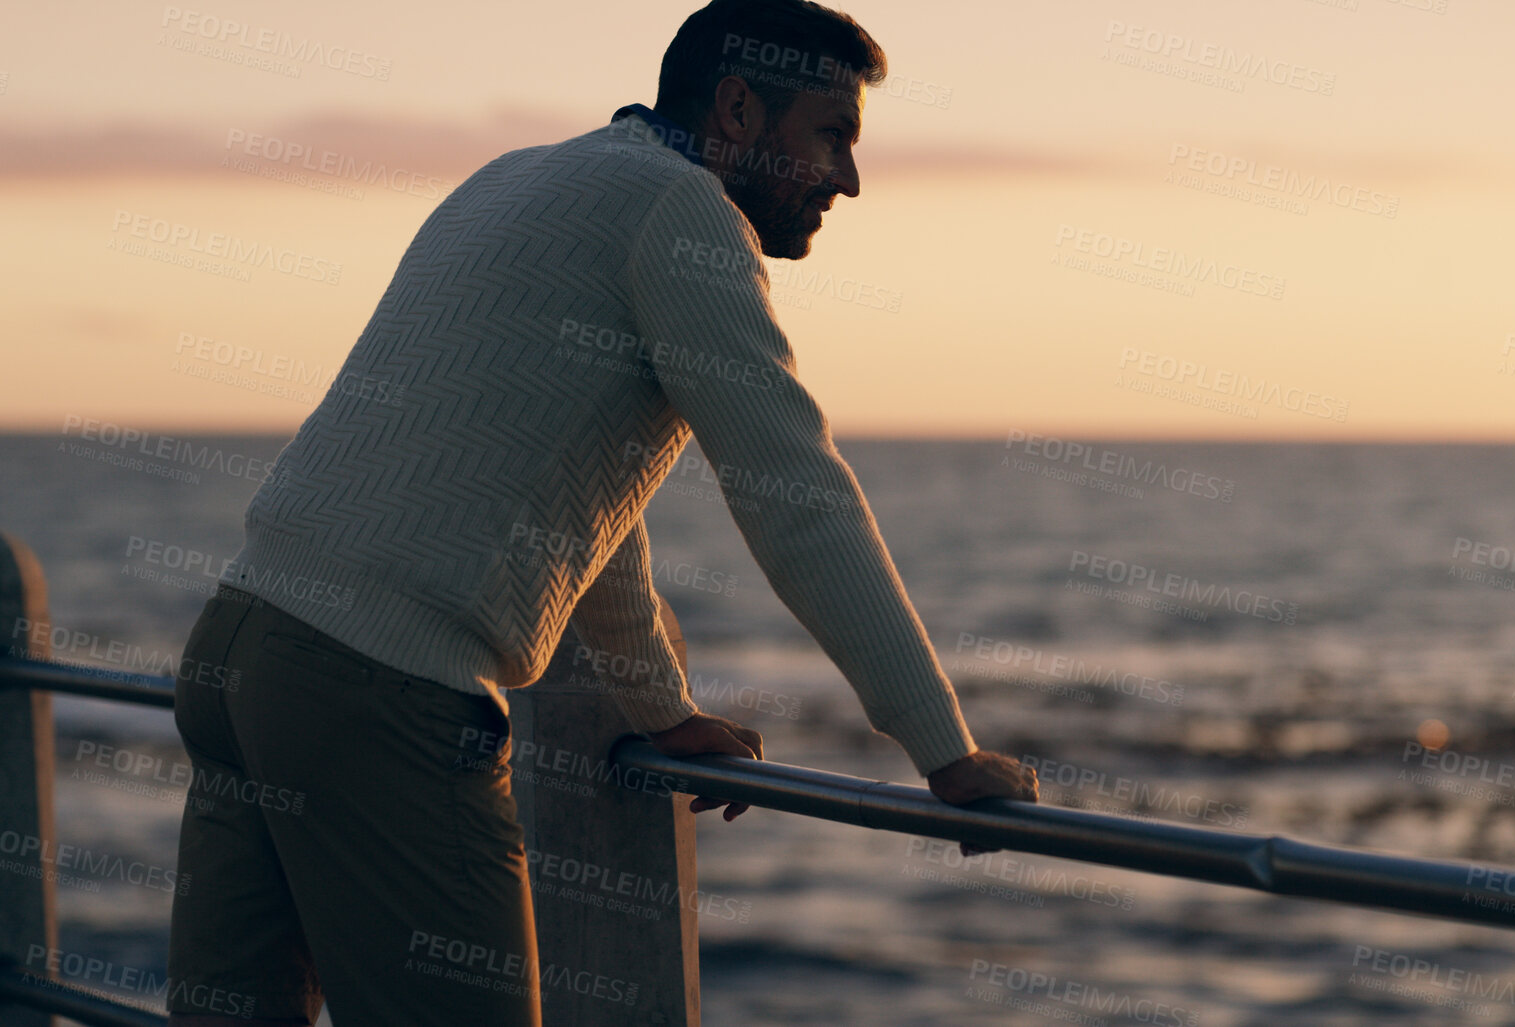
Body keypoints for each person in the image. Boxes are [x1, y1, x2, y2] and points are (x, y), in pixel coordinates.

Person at [164, 1, 1037, 1023]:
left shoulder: (521, 177)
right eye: (831, 136)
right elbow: (797, 495)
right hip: (379, 693)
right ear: (741, 109)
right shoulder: (684, 215)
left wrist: (660, 708)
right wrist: (946, 751)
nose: (847, 177)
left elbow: (584, 510)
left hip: (240, 652)